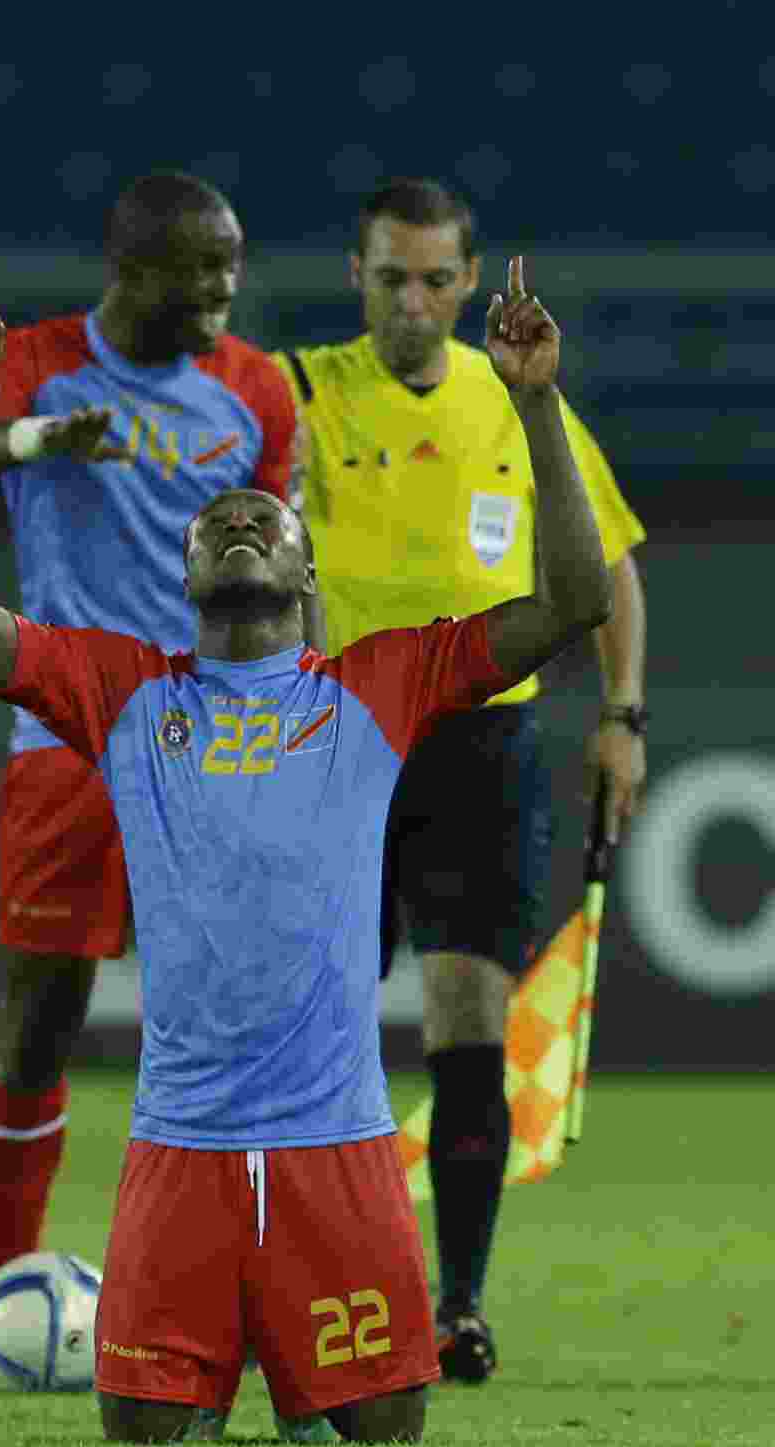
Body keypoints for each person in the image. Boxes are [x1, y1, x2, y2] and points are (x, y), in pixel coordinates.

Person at [0, 251, 611, 1443]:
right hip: (180, 1154)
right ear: (182, 575)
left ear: (305, 569)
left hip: (341, 1153)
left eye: (262, 520)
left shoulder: (379, 684)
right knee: (143, 1439)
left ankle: (306, 1374)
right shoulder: (119, 688)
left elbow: (573, 603)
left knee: (383, 1433)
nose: (237, 522)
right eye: (215, 522)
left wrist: (535, 404)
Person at [274, 178, 647, 1383]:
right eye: (391, 278)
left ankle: (459, 1306)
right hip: (334, 735)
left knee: (469, 1019)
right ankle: (303, 1292)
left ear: (470, 281)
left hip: (482, 742)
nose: (413, 301)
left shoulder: (517, 400)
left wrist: (622, 714)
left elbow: (608, 565)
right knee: (314, 1028)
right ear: (356, 275)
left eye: (436, 280)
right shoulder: (296, 393)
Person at [0, 173, 321, 1287]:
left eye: (231, 266)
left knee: (236, 1022)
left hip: (218, 740)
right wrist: (38, 440)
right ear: (129, 269)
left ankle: (242, 1285)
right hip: (68, 732)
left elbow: (294, 568)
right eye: (197, 269)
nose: (221, 289)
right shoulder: (42, 360)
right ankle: (10, 1284)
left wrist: (309, 714)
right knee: (43, 1014)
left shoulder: (255, 390)